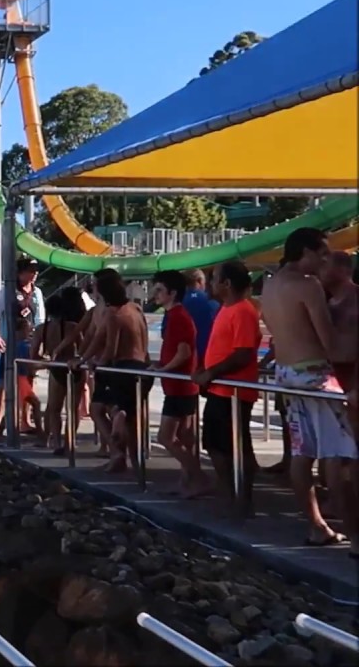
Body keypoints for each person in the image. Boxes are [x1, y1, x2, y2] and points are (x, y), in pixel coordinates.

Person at [259, 229, 357, 551]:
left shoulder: (271, 285)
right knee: (339, 456)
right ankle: (356, 539)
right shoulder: (308, 285)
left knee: (302, 454)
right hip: (314, 373)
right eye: (322, 253)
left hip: (287, 373)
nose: (325, 260)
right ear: (305, 252)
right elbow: (331, 345)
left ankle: (317, 525)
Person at [194, 260, 262, 519]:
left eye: (215, 279)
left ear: (227, 284)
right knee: (214, 442)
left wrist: (211, 373)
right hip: (219, 389)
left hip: (234, 392)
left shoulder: (243, 311)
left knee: (236, 446)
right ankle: (229, 492)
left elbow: (243, 354)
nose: (210, 284)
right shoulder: (226, 309)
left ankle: (241, 499)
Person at [150, 270, 208, 497]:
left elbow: (184, 352)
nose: (155, 295)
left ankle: (200, 477)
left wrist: (164, 368)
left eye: (159, 291)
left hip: (180, 386)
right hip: (179, 385)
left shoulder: (178, 316)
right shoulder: (175, 315)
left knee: (165, 437)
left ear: (172, 293)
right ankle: (188, 480)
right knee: (185, 436)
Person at [91, 273, 153, 474]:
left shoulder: (112, 314)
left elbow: (111, 348)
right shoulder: (136, 309)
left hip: (123, 368)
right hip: (143, 367)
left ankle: (118, 442)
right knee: (134, 422)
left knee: (101, 408)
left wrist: (97, 365)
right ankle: (137, 467)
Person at [61, 268, 124, 457]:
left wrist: (81, 357)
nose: (91, 289)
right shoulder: (98, 311)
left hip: (109, 363)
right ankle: (110, 447)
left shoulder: (110, 312)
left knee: (105, 407)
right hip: (104, 363)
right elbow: (86, 335)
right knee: (101, 407)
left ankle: (115, 448)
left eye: (94, 285)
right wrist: (80, 356)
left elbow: (97, 339)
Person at [33, 288, 86, 454]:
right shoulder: (73, 327)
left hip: (56, 369)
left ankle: (56, 442)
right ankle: (70, 441)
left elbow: (34, 354)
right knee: (73, 408)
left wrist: (46, 361)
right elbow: (83, 349)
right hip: (74, 368)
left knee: (55, 409)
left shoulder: (42, 329)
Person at [0, 313, 41, 439]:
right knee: (35, 403)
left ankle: (0, 430)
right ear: (19, 331)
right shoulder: (23, 346)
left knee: (13, 405)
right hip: (19, 378)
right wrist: (47, 364)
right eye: (27, 330)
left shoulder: (11, 346)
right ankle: (41, 433)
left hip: (9, 378)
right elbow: (31, 363)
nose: (29, 332)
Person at [321, 250, 358, 395]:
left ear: (343, 270)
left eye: (325, 265)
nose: (319, 269)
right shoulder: (324, 303)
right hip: (334, 379)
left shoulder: (355, 298)